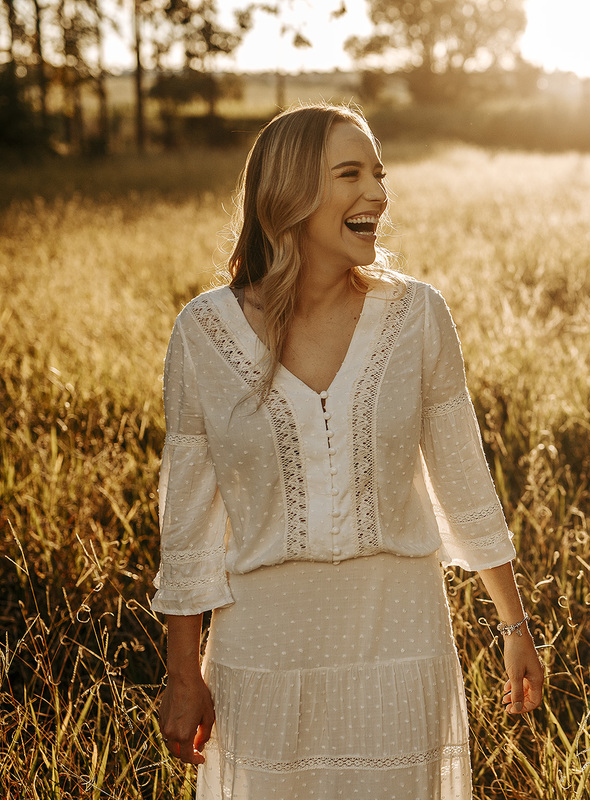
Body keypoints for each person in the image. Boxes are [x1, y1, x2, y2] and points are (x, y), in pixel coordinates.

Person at [151, 103, 543, 799]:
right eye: (351, 174)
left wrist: (514, 625)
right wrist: (184, 674)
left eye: (380, 175)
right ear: (290, 191)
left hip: (399, 639)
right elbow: (187, 524)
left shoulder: (417, 315)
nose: (378, 196)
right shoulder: (203, 332)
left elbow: (464, 483)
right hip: (261, 652)